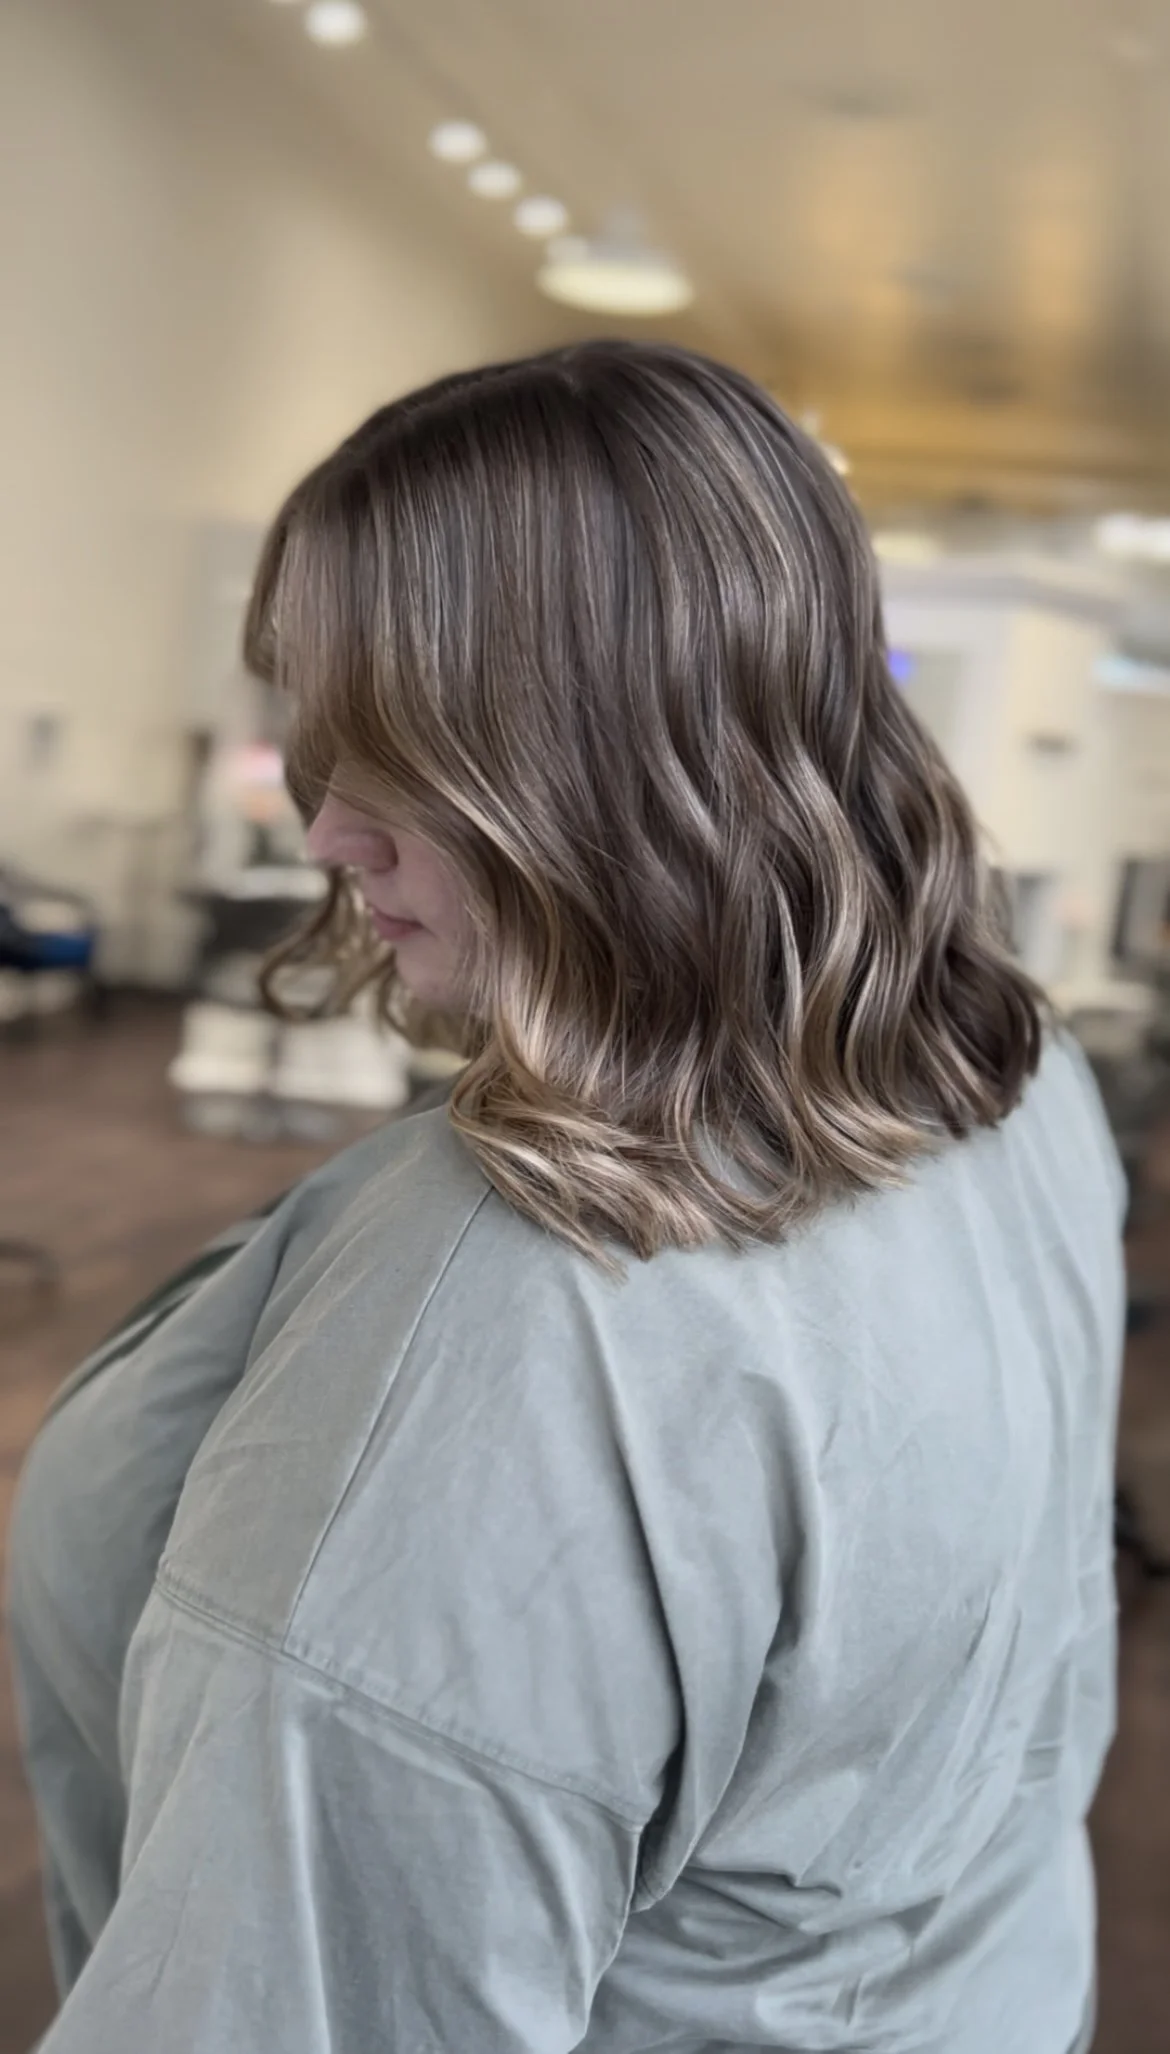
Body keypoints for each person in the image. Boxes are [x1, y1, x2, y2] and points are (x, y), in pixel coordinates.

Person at [9, 342, 1124, 2054]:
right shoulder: (1013, 1081)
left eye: (394, 741)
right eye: (314, 725)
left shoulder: (516, 1333)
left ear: (613, 747)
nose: (328, 831)